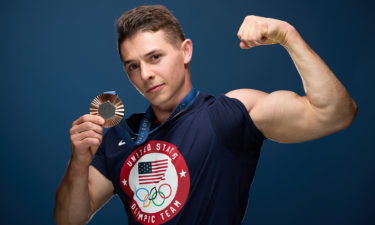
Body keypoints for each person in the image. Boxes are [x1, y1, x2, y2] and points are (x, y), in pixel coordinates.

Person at [54, 5, 358, 225]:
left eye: (155, 57)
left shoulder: (227, 114)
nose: (146, 74)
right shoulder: (121, 135)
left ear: (186, 51)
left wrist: (288, 36)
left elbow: (336, 113)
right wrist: (78, 163)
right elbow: (70, 220)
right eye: (133, 66)